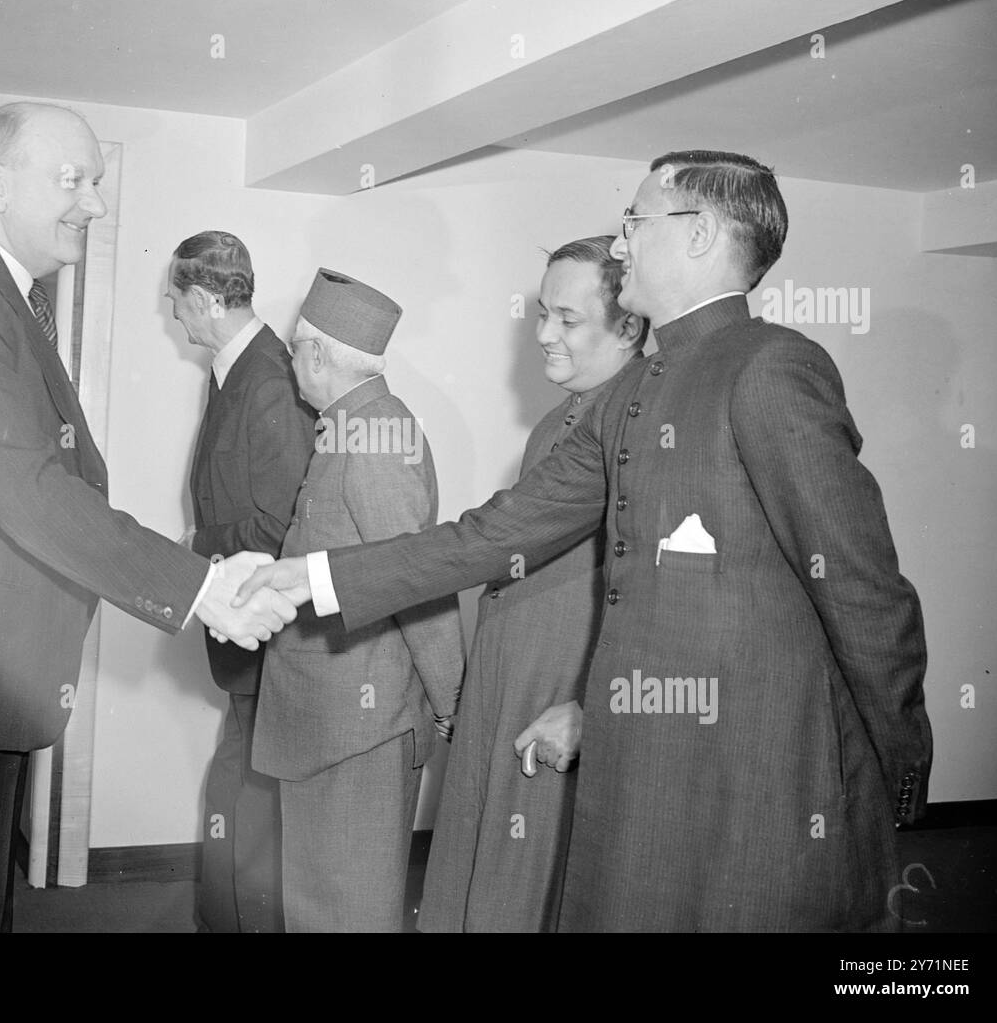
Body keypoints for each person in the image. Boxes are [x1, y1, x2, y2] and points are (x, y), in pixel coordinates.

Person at [236, 150, 932, 932]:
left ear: (700, 234)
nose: (622, 243)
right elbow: (497, 533)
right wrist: (318, 577)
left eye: (634, 221)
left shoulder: (771, 368)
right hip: (636, 782)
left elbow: (863, 590)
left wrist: (898, 772)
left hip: (755, 783)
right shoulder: (631, 392)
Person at [0, 101, 293, 932]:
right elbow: (26, 487)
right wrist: (199, 588)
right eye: (74, 180)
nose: (95, 206)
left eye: (97, 185)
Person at [418, 236, 646, 933]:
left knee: (528, 891)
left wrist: (591, 707)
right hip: (506, 688)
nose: (544, 335)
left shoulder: (646, 428)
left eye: (567, 320)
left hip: (557, 695)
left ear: (630, 325)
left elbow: (668, 598)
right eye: (542, 314)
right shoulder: (556, 422)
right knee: (475, 871)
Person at [250, 269, 464, 932]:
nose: (290, 362)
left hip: (359, 730)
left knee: (349, 911)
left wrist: (457, 705)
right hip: (328, 719)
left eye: (294, 348)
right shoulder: (352, 424)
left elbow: (417, 585)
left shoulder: (374, 438)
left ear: (317, 353)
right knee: (319, 903)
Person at [167, 230, 316, 933]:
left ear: (203, 299)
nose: (174, 317)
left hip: (269, 632)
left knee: (252, 802)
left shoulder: (269, 379)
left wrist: (199, 554)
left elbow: (281, 525)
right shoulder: (233, 370)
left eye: (176, 303)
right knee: (239, 790)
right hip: (242, 632)